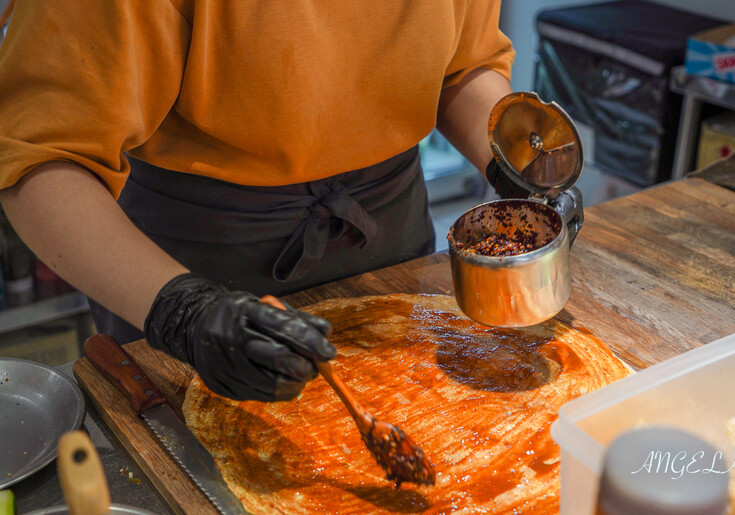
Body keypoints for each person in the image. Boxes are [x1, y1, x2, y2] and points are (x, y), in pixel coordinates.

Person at [0, 0, 517, 402]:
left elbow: (461, 65)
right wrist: (183, 314)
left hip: (390, 233)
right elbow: (41, 158)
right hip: (194, 271)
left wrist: (518, 159)